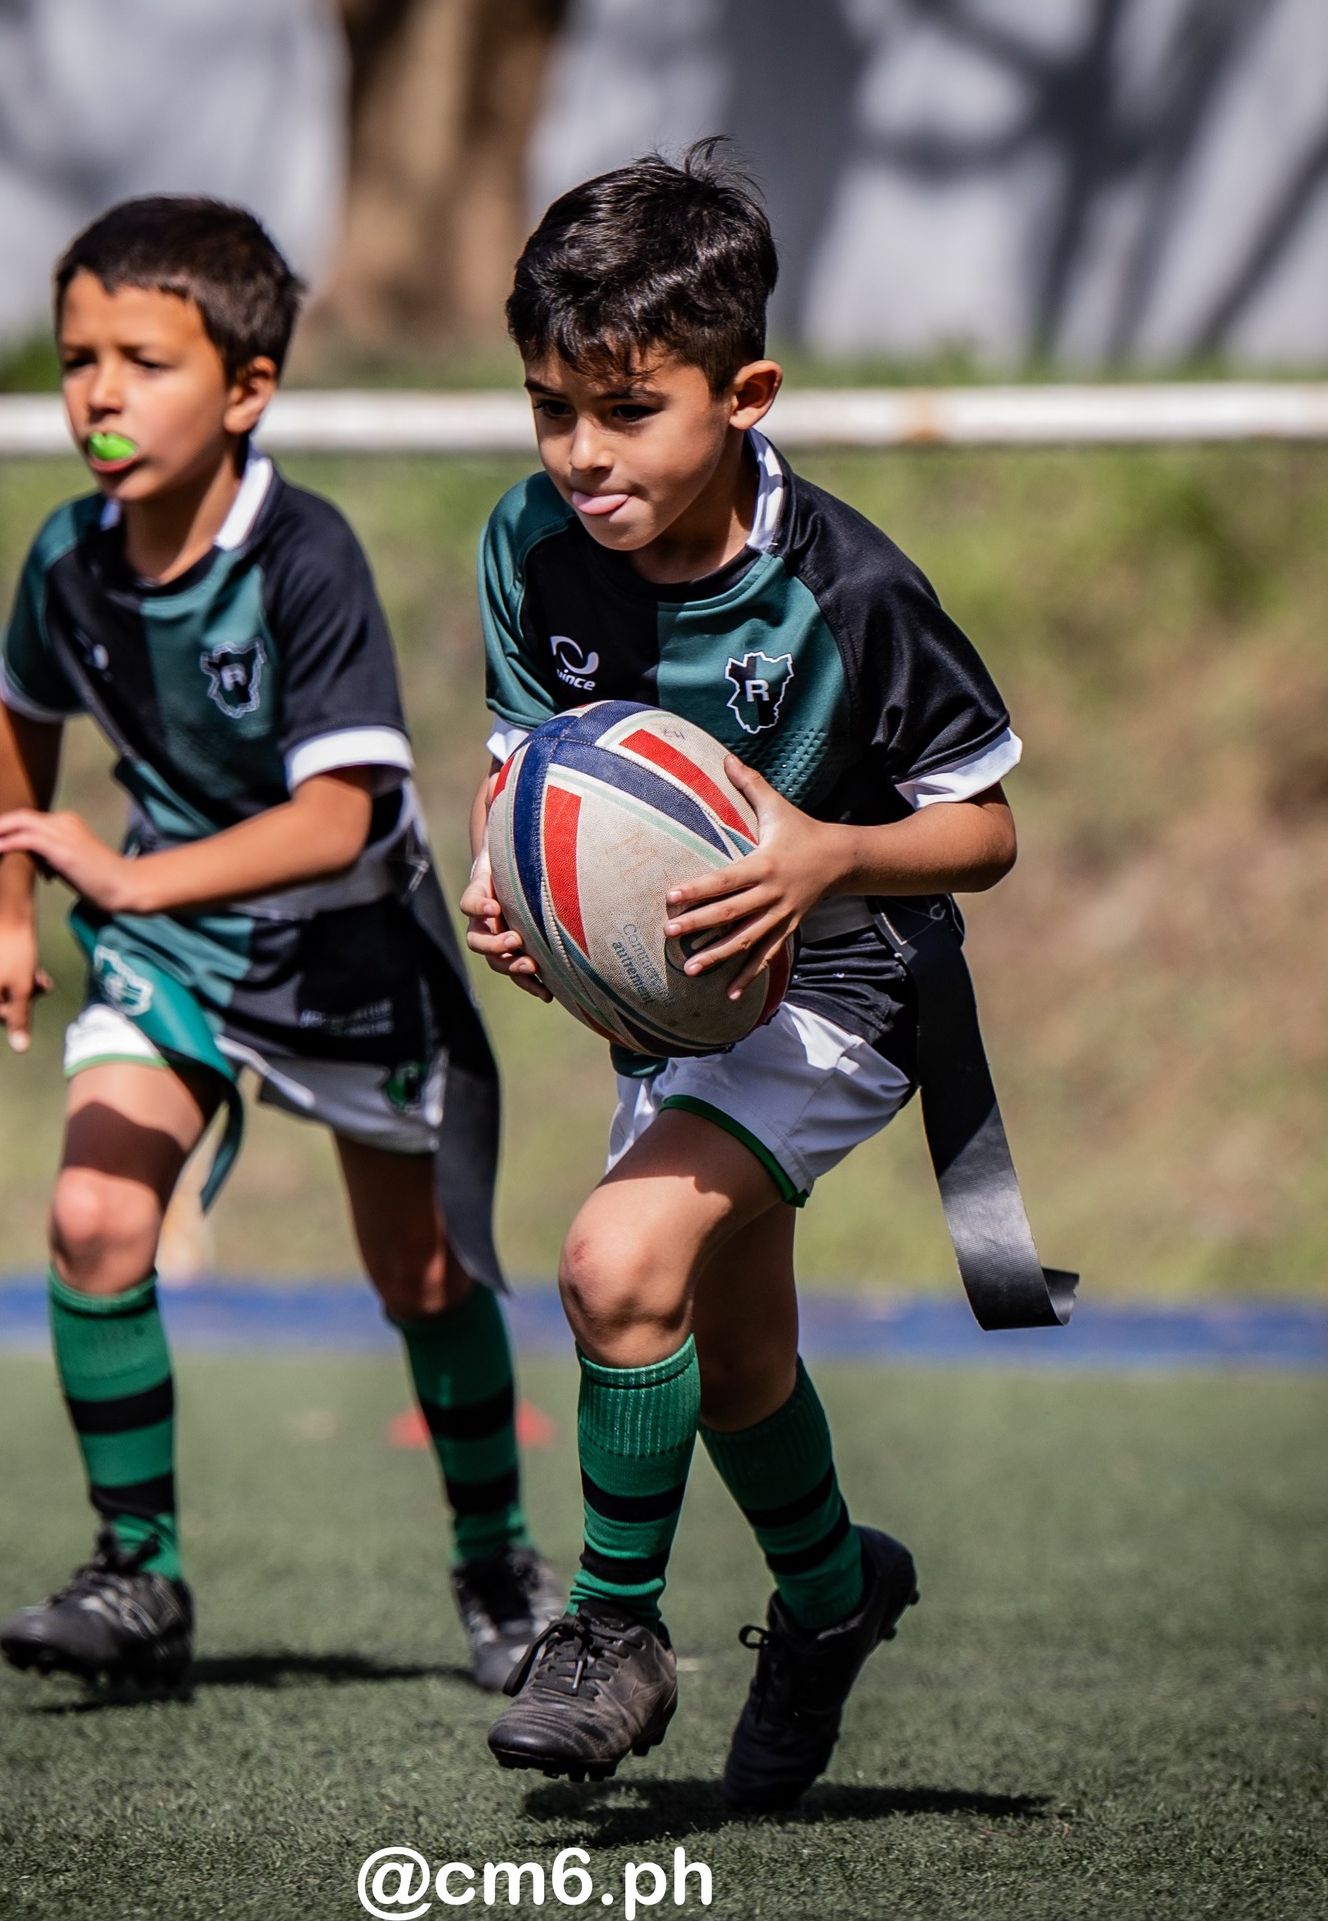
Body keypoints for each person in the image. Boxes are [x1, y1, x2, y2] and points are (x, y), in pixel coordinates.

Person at [460, 145, 1024, 1808]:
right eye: (551, 408)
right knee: (736, 1358)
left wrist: (821, 852)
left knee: (614, 1257)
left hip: (845, 981)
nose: (581, 453)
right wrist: (518, 897)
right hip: (683, 995)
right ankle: (839, 1600)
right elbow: (531, 781)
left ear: (746, 393)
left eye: (626, 411)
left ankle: (615, 1631)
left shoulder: (848, 589)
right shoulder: (530, 545)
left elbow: (984, 831)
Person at [0, 195, 561, 1698]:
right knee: (97, 1217)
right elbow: (19, 709)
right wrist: (7, 910)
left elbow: (343, 816)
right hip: (173, 952)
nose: (101, 391)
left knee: (419, 1276)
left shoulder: (303, 555)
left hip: (347, 953)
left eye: (145, 360)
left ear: (246, 387)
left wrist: (116, 877)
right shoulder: (68, 558)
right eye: (78, 356)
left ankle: (498, 1565)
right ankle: (137, 1574)